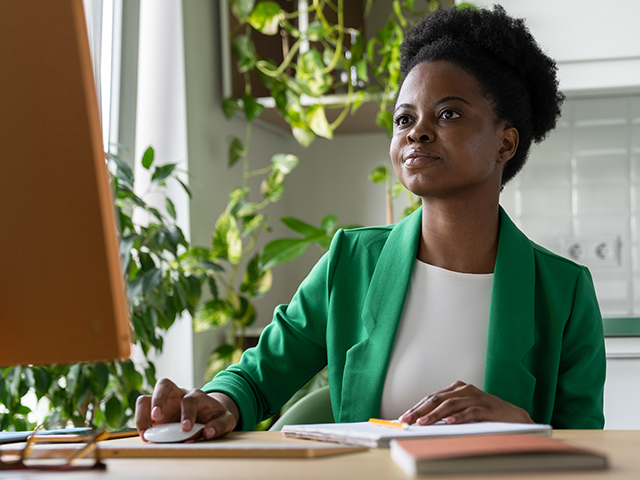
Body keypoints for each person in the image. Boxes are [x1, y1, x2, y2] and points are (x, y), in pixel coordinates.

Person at [135, 5, 606, 440]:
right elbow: (256, 379)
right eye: (404, 118)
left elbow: (589, 447)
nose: (417, 131)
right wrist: (218, 403)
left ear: (505, 144)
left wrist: (522, 426)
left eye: (448, 113)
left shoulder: (563, 293)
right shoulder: (350, 261)